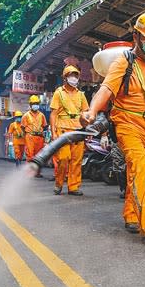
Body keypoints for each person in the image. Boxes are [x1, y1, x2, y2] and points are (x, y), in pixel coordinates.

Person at [81, 12, 145, 243]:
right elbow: (106, 90)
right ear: (135, 36)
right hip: (127, 123)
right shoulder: (123, 62)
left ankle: (130, 215)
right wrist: (93, 111)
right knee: (139, 167)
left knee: (143, 174)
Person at [50, 65, 89, 196]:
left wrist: (86, 131)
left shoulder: (81, 95)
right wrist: (54, 132)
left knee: (76, 161)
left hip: (78, 130)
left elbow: (86, 114)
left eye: (76, 75)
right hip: (63, 130)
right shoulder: (58, 93)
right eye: (71, 75)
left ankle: (73, 187)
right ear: (65, 77)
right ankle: (59, 183)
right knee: (63, 158)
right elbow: (53, 114)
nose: (74, 78)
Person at [21, 94, 47, 177]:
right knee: (30, 155)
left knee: (39, 156)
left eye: (36, 103)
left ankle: (37, 172)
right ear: (30, 105)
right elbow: (22, 127)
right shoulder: (26, 115)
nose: (35, 105)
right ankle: (30, 172)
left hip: (40, 137)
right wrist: (27, 136)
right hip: (30, 136)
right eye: (33, 103)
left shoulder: (42, 115)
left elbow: (44, 126)